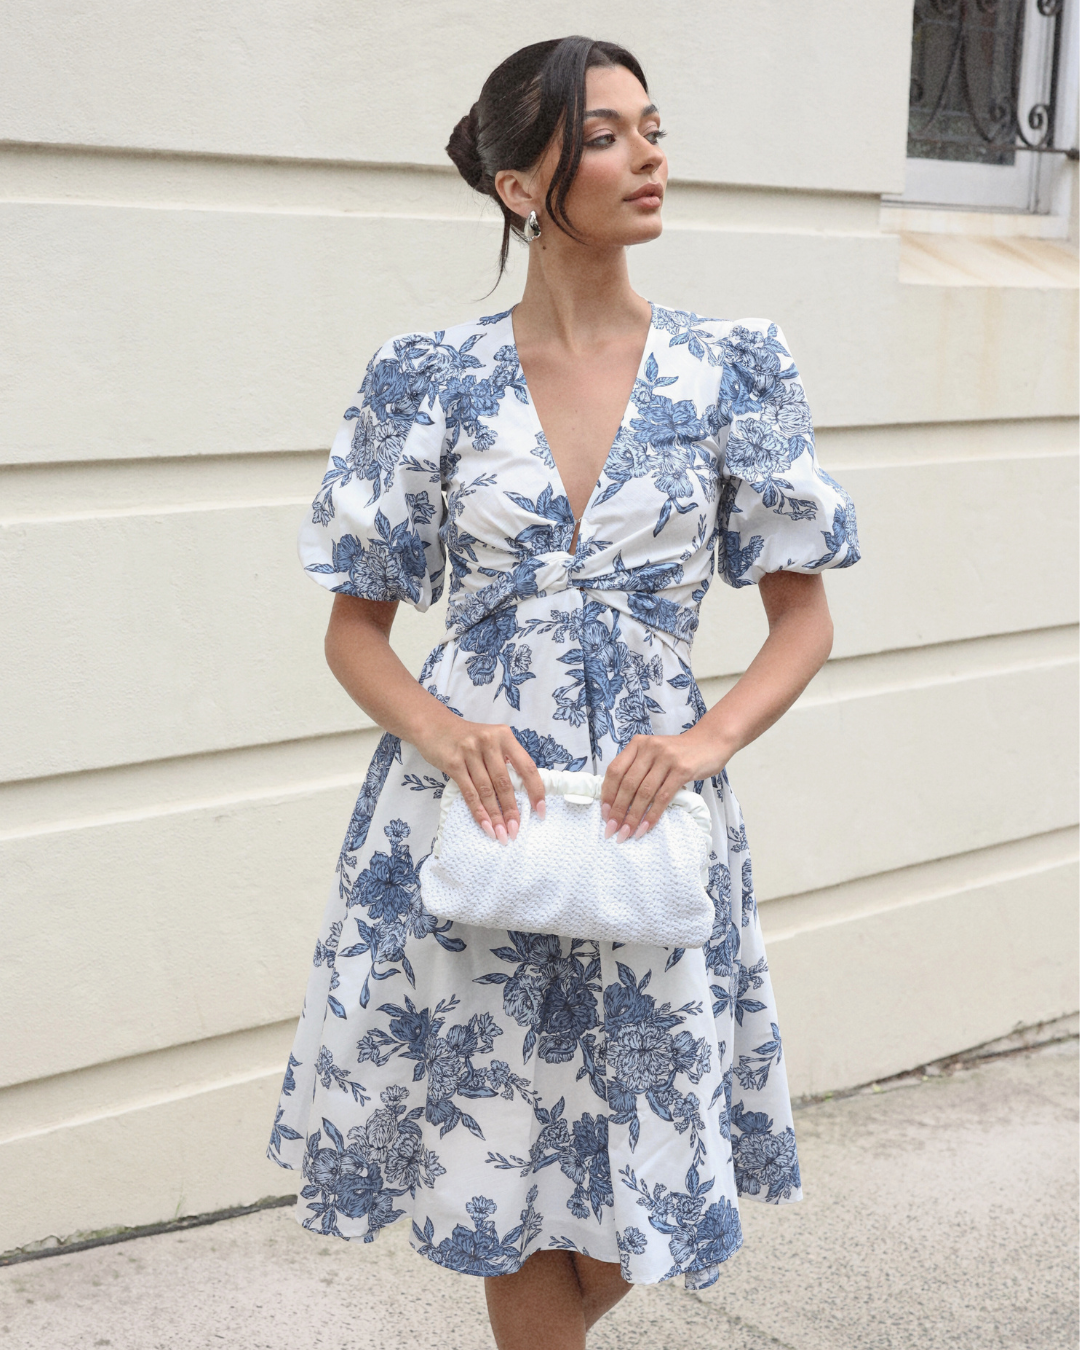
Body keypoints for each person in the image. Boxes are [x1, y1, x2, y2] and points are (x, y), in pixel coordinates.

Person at [268, 35, 860, 1350]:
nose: (649, 156)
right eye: (605, 136)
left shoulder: (735, 366)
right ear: (521, 184)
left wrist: (704, 742)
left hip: (648, 818)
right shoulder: (421, 375)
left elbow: (804, 618)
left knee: (649, 1161)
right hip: (476, 813)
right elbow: (355, 631)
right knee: (508, 1171)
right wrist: (445, 733)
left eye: (653, 127)